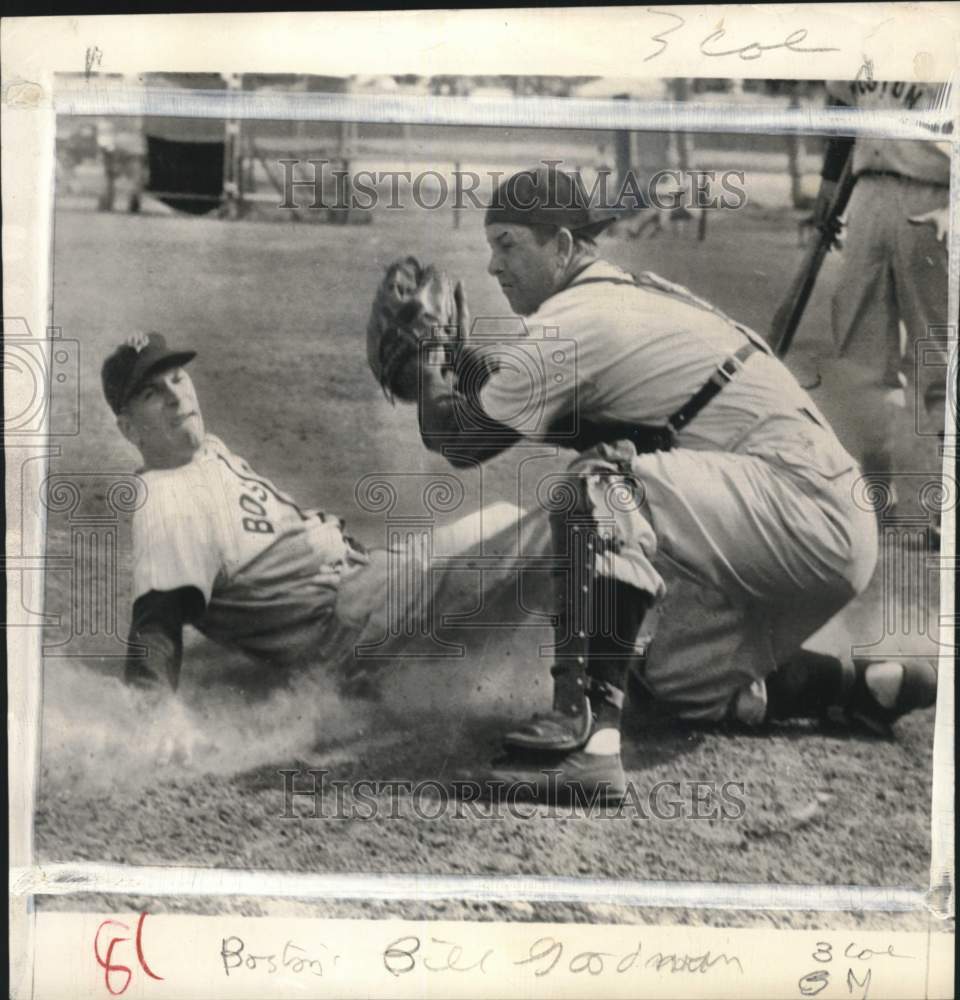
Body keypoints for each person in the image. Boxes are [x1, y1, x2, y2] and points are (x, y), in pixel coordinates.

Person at [415, 165, 938, 804]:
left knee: (599, 490)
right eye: (491, 245)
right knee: (661, 684)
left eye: (509, 243)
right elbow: (576, 422)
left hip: (799, 502)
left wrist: (428, 366)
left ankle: (587, 747)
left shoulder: (571, 321)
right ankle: (862, 684)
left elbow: (465, 443)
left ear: (562, 245)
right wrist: (463, 364)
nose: (493, 266)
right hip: (808, 521)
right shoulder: (626, 296)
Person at [102, 333, 392, 697]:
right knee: (483, 558)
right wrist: (149, 731)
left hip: (369, 585)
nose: (176, 398)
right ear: (129, 429)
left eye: (177, 379)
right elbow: (155, 627)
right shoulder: (168, 507)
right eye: (151, 394)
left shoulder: (202, 451)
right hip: (354, 627)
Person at [813, 80, 951, 532]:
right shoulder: (864, 33)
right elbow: (841, 104)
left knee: (939, 357)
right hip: (867, 191)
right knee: (859, 351)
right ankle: (874, 499)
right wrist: (830, 184)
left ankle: (944, 512)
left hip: (936, 192)